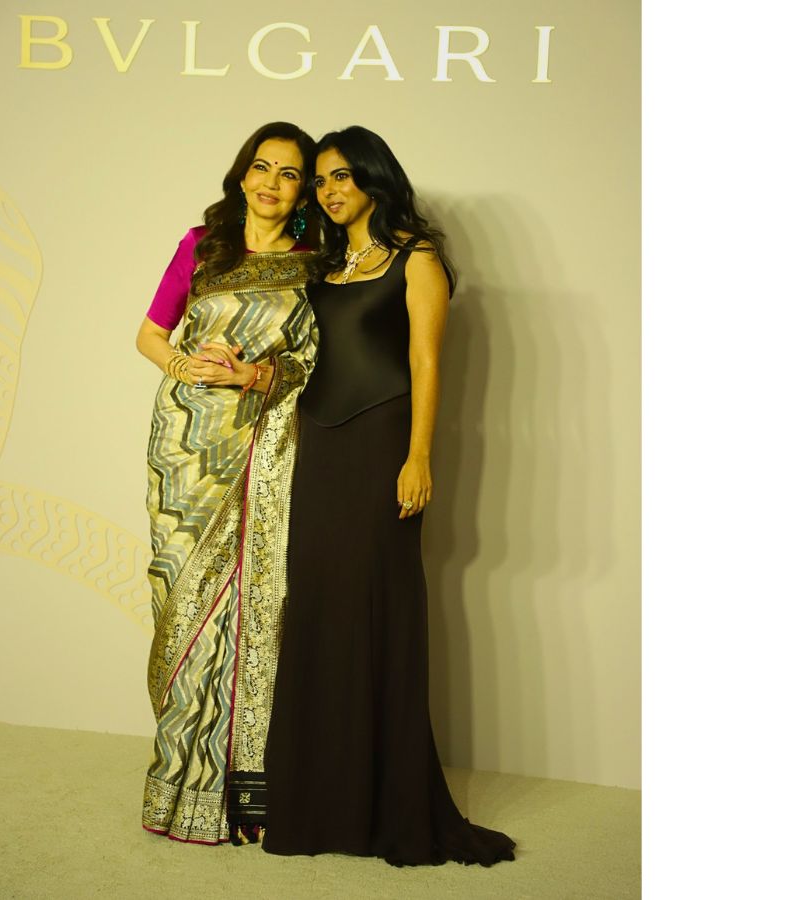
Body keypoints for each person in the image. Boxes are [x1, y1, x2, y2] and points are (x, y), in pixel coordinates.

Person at [261, 126, 516, 866]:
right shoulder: (323, 266)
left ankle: (381, 804)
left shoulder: (417, 258)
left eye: (342, 176)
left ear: (374, 178)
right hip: (320, 444)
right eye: (321, 181)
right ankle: (319, 804)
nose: (329, 191)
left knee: (375, 604)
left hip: (381, 446)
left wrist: (418, 457)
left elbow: (426, 363)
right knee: (317, 604)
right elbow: (309, 357)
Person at [135, 121, 318, 845]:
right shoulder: (202, 246)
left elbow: (317, 359)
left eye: (290, 173)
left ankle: (246, 789)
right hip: (184, 446)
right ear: (243, 175)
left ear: (303, 190)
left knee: (253, 604)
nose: (272, 183)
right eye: (262, 167)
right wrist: (182, 366)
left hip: (264, 444)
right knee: (183, 601)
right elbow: (151, 333)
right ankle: (179, 782)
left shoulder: (314, 264)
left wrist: (259, 375)